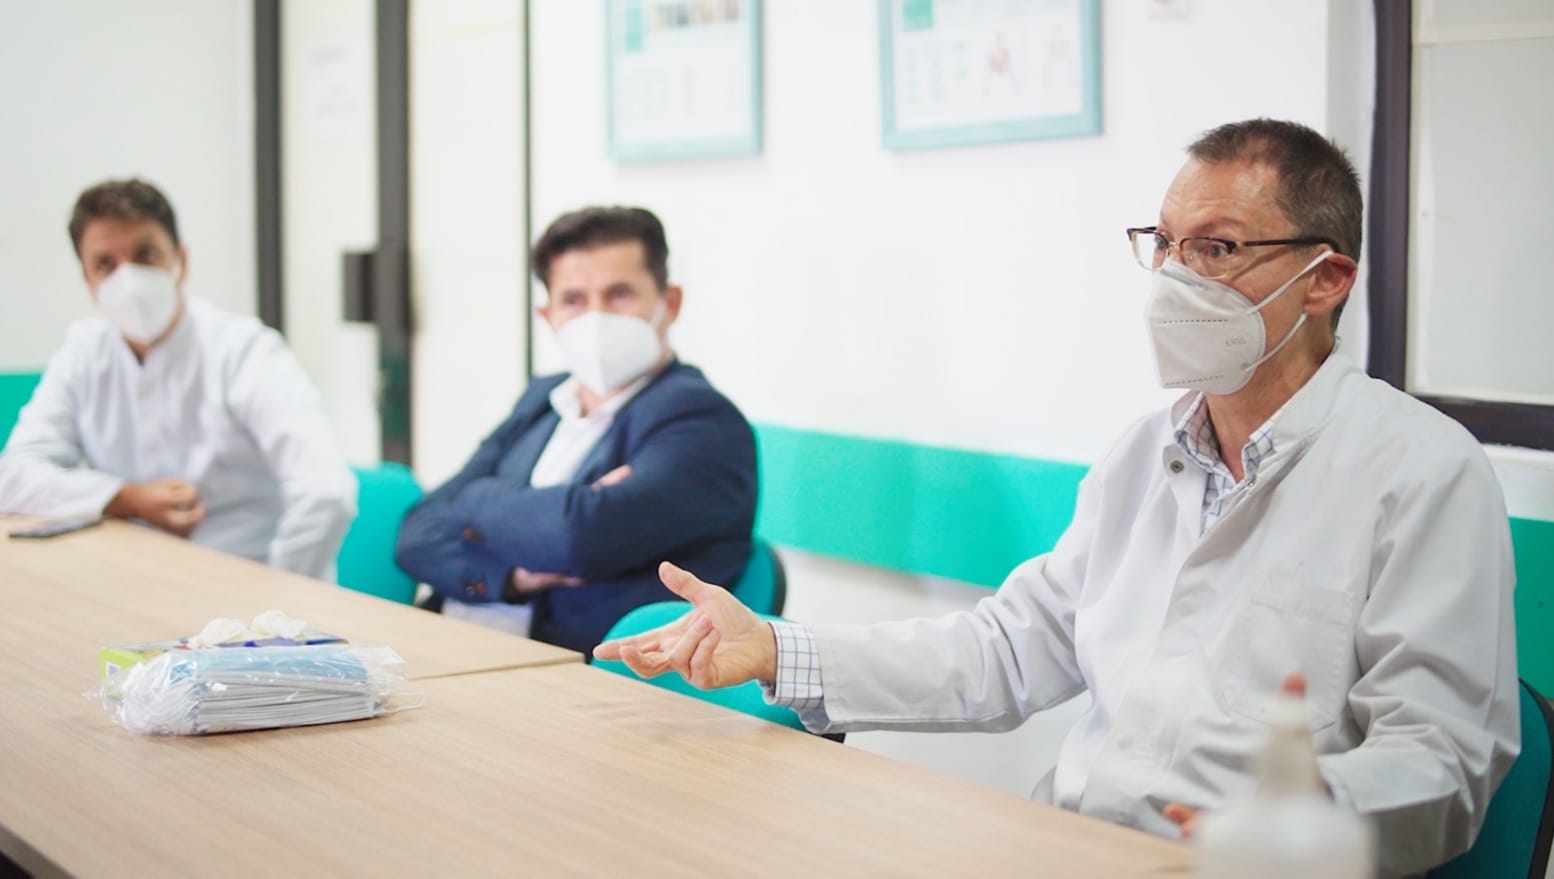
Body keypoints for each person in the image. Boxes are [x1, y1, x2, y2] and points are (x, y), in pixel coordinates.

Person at [596, 120, 1519, 877]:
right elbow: (1006, 648)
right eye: (1166, 244)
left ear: (1326, 279)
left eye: (1217, 248)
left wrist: (1313, 814)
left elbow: (1442, 755)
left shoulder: (1421, 471)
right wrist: (777, 647)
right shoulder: (1144, 453)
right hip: (1074, 846)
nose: (1177, 277)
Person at [395, 206, 757, 655]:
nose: (596, 318)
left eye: (619, 294)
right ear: (547, 315)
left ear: (671, 303)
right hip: (453, 643)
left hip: (568, 671)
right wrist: (515, 575)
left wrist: (473, 500)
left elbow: (576, 539)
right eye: (574, 300)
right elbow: (415, 533)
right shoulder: (543, 398)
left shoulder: (701, 420)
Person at [0, 179, 356, 580]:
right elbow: (13, 477)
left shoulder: (244, 350)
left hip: (243, 581)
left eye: (145, 254)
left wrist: (281, 596)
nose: (127, 279)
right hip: (128, 580)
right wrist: (125, 498)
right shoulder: (84, 352)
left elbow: (325, 493)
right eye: (105, 264)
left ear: (180, 261)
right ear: (88, 281)